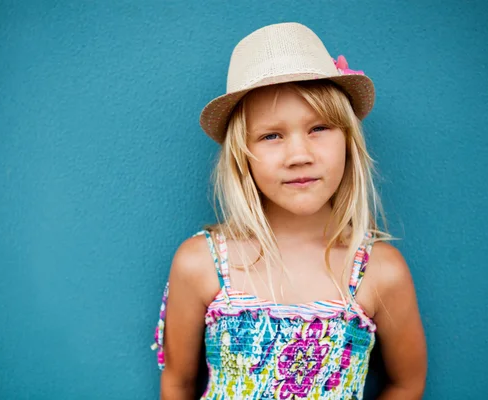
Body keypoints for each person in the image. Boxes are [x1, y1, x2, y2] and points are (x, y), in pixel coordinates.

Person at [151, 22, 427, 399]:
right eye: (271, 136)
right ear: (241, 155)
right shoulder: (201, 264)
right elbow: (177, 382)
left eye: (319, 128)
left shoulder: (380, 272)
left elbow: (407, 383)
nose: (299, 156)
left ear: (348, 140)